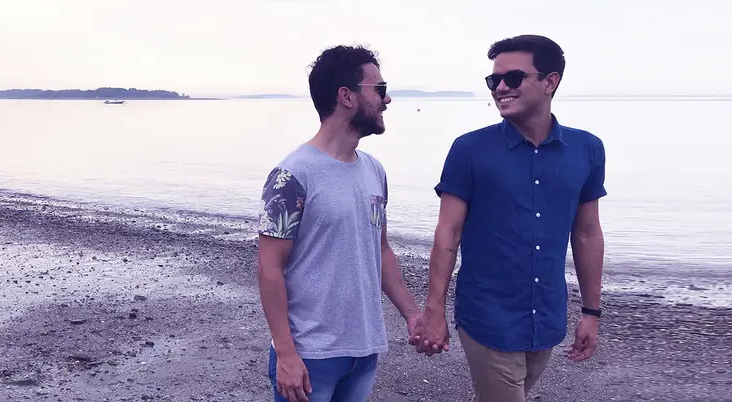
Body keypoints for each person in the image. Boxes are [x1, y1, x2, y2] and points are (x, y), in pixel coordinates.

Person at [410, 34, 608, 401]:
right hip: (488, 317)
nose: (500, 87)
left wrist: (591, 312)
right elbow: (448, 233)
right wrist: (433, 310)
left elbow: (587, 234)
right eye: (493, 80)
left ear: (550, 82)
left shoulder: (588, 149)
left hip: (547, 315)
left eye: (513, 78)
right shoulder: (469, 149)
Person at [256, 44, 423, 402]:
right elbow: (269, 268)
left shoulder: (374, 171)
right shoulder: (292, 176)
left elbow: (380, 251)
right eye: (378, 89)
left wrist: (412, 314)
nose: (387, 99)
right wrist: (286, 354)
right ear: (346, 96)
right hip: (310, 355)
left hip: (364, 350)